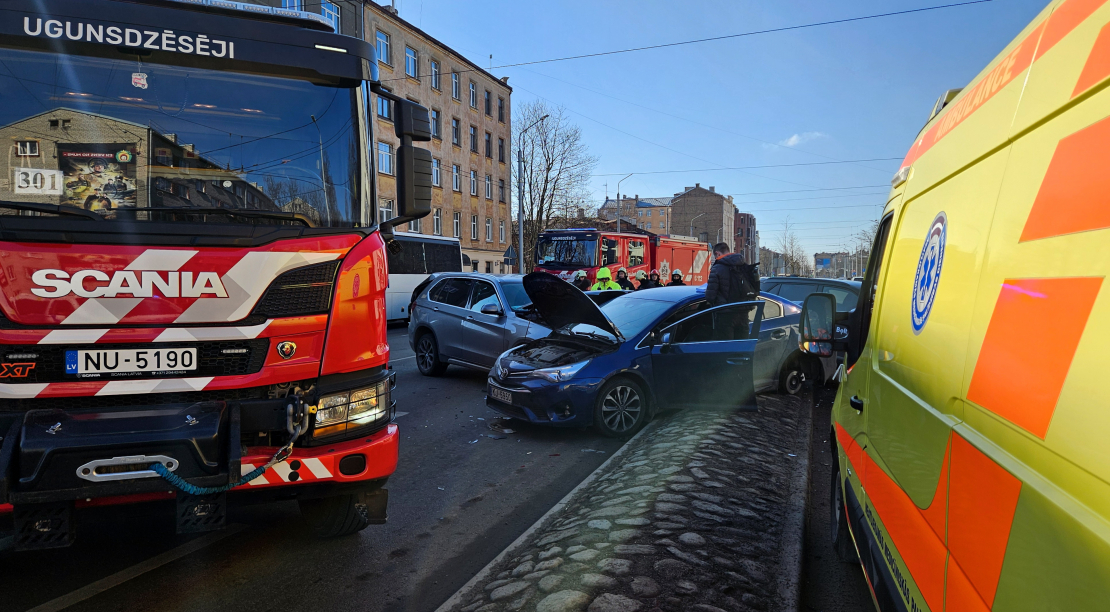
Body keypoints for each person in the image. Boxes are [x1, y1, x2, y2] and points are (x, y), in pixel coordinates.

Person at [704, 242, 760, 307]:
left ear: (718, 254)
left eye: (715, 257)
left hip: (724, 309)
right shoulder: (743, 265)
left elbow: (710, 297)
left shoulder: (716, 269)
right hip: (744, 307)